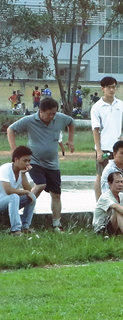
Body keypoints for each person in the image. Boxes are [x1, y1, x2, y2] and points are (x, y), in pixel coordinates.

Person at [7, 97, 75, 233]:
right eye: (50, 113)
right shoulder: (30, 120)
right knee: (40, 185)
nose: (52, 116)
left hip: (53, 163)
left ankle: (56, 224)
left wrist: (70, 140)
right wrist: (14, 150)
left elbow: (71, 122)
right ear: (41, 111)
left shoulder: (59, 118)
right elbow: (11, 129)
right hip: (35, 160)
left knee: (56, 194)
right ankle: (23, 219)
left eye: (54, 113)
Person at [91, 76, 123, 200]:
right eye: (109, 87)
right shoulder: (97, 107)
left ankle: (117, 200)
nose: (112, 90)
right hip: (104, 148)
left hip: (117, 148)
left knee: (118, 175)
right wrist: (98, 150)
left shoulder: (120, 104)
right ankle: (99, 202)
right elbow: (95, 130)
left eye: (114, 87)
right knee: (100, 175)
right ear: (103, 89)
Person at [0, 146, 36, 235]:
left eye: (29, 161)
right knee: (14, 197)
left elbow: (28, 190)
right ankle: (15, 230)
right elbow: (8, 190)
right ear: (16, 160)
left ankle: (25, 226)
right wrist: (26, 192)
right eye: (25, 160)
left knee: (32, 197)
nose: (27, 163)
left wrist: (23, 174)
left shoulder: (21, 171)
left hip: (8, 202)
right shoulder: (5, 168)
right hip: (2, 201)